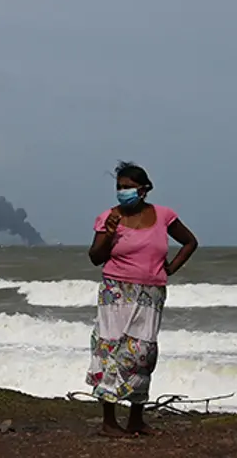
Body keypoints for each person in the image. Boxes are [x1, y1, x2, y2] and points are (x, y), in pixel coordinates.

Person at [86, 161, 198, 437]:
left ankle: (136, 418)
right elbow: (95, 257)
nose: (122, 191)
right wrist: (109, 233)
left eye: (128, 187)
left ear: (144, 190)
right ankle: (109, 421)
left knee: (143, 353)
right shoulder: (109, 217)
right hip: (116, 291)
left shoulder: (163, 216)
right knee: (110, 349)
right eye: (119, 187)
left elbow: (190, 242)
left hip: (151, 293)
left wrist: (171, 268)